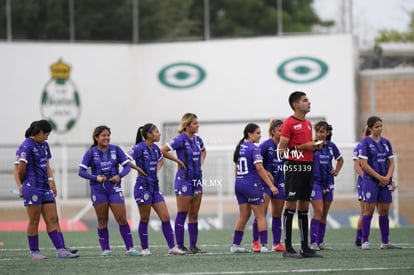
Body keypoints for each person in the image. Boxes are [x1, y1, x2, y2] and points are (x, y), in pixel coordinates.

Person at [16, 120, 80, 259]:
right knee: (34, 221)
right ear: (39, 132)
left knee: (52, 219)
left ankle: (61, 251)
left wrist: (51, 181)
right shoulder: (26, 145)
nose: (47, 137)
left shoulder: (44, 145)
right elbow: (20, 169)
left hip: (45, 187)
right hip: (32, 188)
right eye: (46, 134)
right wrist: (23, 186)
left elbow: (47, 165)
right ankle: (34, 252)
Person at [78, 125, 140, 256]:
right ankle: (106, 250)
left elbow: (127, 167)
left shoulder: (116, 150)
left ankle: (130, 248)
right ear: (96, 137)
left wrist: (119, 176)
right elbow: (81, 171)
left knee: (122, 218)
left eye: (108, 135)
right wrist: (96, 178)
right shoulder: (91, 152)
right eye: (103, 135)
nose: (106, 138)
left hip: (114, 189)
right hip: (98, 190)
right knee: (102, 220)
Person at [277, 91, 323, 258]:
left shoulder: (309, 123)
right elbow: (281, 152)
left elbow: (306, 145)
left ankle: (305, 248)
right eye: (305, 100)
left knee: (304, 207)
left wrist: (314, 146)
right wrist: (303, 147)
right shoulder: (289, 123)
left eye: (308, 99)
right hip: (294, 167)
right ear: (296, 105)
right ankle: (288, 249)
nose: (309, 102)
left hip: (308, 167)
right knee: (290, 206)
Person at [128, 123, 185, 256]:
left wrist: (157, 170)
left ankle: (172, 247)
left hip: (154, 186)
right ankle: (145, 249)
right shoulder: (139, 148)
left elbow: (161, 159)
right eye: (157, 132)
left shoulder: (155, 149)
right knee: (144, 218)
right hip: (143, 187)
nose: (159, 134)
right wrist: (137, 169)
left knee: (165, 217)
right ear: (149, 135)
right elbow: (124, 159)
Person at [160, 113, 207, 254]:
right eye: (194, 123)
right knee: (182, 213)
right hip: (184, 180)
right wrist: (178, 161)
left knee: (194, 214)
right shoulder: (180, 139)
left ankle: (193, 246)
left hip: (197, 180)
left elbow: (204, 151)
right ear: (186, 126)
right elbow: (162, 150)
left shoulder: (198, 140)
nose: (197, 125)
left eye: (197, 123)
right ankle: (179, 245)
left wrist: (200, 163)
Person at [230, 123, 278, 253]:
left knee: (243, 216)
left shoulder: (240, 147)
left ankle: (235, 245)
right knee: (260, 216)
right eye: (257, 133)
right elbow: (259, 168)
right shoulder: (254, 148)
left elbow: (237, 167)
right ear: (249, 134)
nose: (260, 135)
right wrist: (271, 185)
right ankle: (263, 246)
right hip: (252, 185)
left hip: (239, 184)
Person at [358, 116, 400, 250]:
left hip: (385, 181)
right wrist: (379, 178)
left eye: (381, 126)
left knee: (384, 211)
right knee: (368, 211)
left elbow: (392, 162)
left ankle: (385, 242)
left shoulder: (386, 143)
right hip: (371, 181)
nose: (380, 128)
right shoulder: (365, 143)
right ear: (370, 128)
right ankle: (365, 241)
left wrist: (387, 178)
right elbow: (363, 165)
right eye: (377, 126)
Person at [251, 119, 286, 253]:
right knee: (261, 214)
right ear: (273, 132)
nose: (282, 133)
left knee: (277, 214)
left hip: (280, 182)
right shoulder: (265, 145)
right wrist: (266, 173)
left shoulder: (285, 146)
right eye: (279, 130)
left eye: (284, 130)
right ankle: (256, 242)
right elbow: (256, 164)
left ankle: (276, 243)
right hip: (265, 184)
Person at [309, 121, 344, 250]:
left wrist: (336, 171)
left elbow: (340, 159)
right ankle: (312, 242)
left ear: (327, 133)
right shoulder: (311, 145)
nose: (319, 134)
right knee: (318, 210)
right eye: (317, 131)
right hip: (315, 183)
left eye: (322, 131)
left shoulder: (331, 146)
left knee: (324, 213)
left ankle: (320, 242)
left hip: (329, 182)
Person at [353, 125, 370, 247]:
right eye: (367, 132)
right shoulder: (359, 147)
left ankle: (385, 239)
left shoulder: (378, 145)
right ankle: (359, 239)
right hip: (365, 182)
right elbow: (357, 166)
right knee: (364, 211)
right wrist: (367, 178)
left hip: (377, 181)